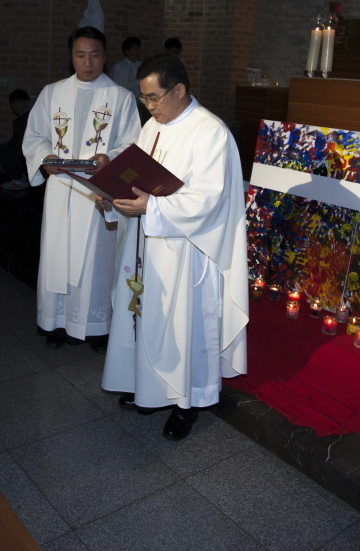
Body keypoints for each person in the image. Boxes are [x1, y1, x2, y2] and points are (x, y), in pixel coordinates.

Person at [99, 54, 249, 442]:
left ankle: (189, 403)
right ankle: (150, 389)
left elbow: (210, 200)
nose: (148, 107)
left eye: (154, 98)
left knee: (185, 326)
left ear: (179, 90)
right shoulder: (153, 127)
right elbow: (135, 176)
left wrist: (153, 207)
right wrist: (113, 194)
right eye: (144, 98)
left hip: (189, 252)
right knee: (147, 317)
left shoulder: (211, 132)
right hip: (147, 248)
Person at [22, 27, 140, 350]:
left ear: (105, 56)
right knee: (57, 255)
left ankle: (97, 327)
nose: (88, 62)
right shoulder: (52, 93)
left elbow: (133, 146)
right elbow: (35, 136)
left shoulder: (121, 98)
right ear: (71, 57)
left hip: (97, 192)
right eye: (80, 54)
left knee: (95, 261)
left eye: (95, 55)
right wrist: (45, 157)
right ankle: (56, 323)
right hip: (61, 189)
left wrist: (109, 157)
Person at [0, 89, 31, 191]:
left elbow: (20, 144)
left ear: (26, 102)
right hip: (25, 155)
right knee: (1, 149)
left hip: (26, 157)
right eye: (13, 103)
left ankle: (20, 180)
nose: (15, 106)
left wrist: (7, 160)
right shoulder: (25, 117)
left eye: (18, 102)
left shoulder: (26, 119)